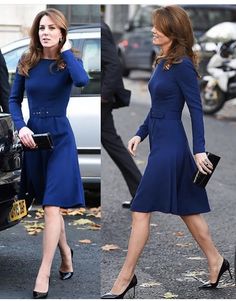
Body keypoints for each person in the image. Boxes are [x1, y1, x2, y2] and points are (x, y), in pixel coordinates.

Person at [101, 5, 232, 299]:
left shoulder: (184, 64)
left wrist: (199, 150)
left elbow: (196, 110)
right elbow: (156, 108)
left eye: (157, 26)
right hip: (159, 139)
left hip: (171, 145)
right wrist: (139, 133)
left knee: (140, 208)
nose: (152, 30)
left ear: (172, 30)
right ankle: (216, 261)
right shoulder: (163, 62)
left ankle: (125, 278)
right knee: (188, 209)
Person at [9, 8, 89, 299]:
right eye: (42, 27)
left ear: (62, 33)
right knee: (47, 205)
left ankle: (43, 272)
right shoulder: (26, 60)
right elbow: (14, 99)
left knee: (53, 206)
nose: (46, 32)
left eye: (52, 28)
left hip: (60, 140)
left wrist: (66, 52)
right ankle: (66, 253)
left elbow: (82, 81)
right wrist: (21, 127)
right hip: (34, 140)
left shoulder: (70, 63)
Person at [101, 21, 142, 208]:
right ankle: (141, 191)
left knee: (113, 144)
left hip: (98, 102)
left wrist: (102, 97)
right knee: (113, 144)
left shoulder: (98, 29)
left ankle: (141, 192)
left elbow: (112, 64)